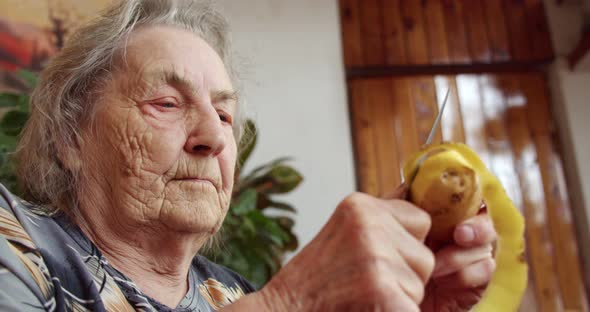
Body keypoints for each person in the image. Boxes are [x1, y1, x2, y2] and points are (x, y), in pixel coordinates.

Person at [0, 0, 496, 311]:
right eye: (167, 103)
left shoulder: (232, 296)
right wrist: (290, 304)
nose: (212, 138)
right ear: (71, 138)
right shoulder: (17, 250)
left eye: (223, 114)